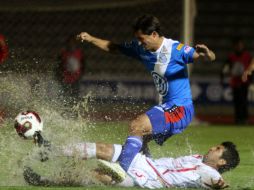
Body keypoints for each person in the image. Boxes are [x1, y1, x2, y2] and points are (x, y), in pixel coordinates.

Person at [75, 14, 216, 167]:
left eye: (142, 39)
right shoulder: (140, 48)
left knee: (137, 125)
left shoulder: (175, 49)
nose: (140, 44)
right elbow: (113, 47)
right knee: (139, 139)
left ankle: (123, 169)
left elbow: (205, 56)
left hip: (181, 108)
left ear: (154, 34)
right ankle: (147, 171)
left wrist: (208, 53)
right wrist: (91, 38)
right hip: (169, 106)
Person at [24, 141, 240, 189]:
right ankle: (50, 150)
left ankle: (42, 180)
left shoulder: (209, 174)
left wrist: (222, 186)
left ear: (222, 162)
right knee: (104, 148)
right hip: (145, 162)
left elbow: (221, 185)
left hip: (146, 180)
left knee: (94, 175)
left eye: (218, 149)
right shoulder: (199, 157)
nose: (213, 148)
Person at [221, 37, 252, 125]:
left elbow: (251, 69)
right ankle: (238, 119)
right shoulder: (231, 57)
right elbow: (225, 67)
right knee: (237, 102)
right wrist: (223, 75)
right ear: (234, 46)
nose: (239, 47)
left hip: (244, 82)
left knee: (244, 101)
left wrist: (251, 80)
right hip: (235, 82)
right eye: (237, 45)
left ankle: (245, 119)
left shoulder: (247, 56)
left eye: (240, 45)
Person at [56, 35, 86, 103]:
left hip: (76, 78)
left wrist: (80, 74)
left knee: (75, 97)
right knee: (65, 96)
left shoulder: (79, 52)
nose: (71, 44)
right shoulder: (63, 53)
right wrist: (60, 75)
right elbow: (59, 65)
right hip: (65, 78)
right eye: (69, 42)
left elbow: (83, 64)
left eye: (73, 42)